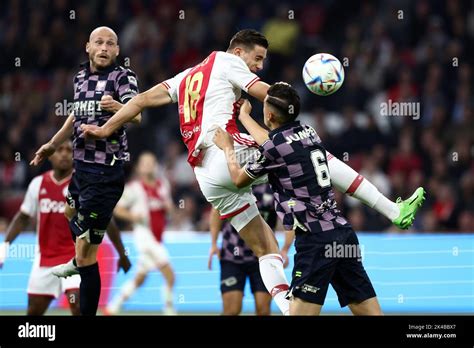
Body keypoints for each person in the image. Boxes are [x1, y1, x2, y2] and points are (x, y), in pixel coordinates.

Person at [81, 29, 425, 314]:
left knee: (266, 247)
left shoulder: (187, 76)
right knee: (307, 148)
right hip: (224, 153)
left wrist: (103, 128)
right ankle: (394, 210)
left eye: (262, 62)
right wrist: (294, 95)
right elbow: (267, 96)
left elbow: (139, 101)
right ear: (238, 50)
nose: (258, 67)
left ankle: (288, 306)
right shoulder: (227, 61)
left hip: (207, 178)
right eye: (256, 59)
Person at [213, 82, 424, 315]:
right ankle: (393, 209)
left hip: (315, 241)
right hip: (342, 233)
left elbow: (238, 179)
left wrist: (227, 148)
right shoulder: (308, 132)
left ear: (269, 114)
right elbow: (273, 142)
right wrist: (244, 118)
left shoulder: (272, 149)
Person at [30, 26, 139, 316]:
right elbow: (76, 114)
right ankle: (79, 261)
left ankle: (81, 276)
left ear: (117, 51)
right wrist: (53, 144)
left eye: (110, 44)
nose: (104, 48)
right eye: (99, 43)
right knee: (69, 215)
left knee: (87, 251)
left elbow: (137, 114)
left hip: (105, 173)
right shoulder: (80, 77)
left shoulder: (122, 77)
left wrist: (115, 106)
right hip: (81, 169)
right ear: (87, 47)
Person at [0, 141, 131, 315]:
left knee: (77, 305)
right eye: (59, 150)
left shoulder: (84, 184)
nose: (64, 154)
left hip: (76, 258)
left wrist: (122, 254)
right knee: (33, 312)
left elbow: (107, 220)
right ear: (51, 154)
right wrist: (5, 245)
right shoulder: (38, 184)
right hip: (45, 261)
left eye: (69, 150)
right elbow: (23, 217)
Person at [105, 152, 177, 315]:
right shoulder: (134, 188)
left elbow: (169, 210)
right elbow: (118, 209)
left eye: (151, 163)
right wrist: (133, 216)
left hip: (158, 237)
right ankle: (169, 310)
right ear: (138, 167)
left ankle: (113, 306)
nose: (149, 166)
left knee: (140, 278)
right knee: (170, 275)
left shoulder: (163, 185)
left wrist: (169, 209)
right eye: (145, 163)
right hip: (144, 236)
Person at [208, 183, 280, 315]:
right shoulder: (232, 183)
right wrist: (213, 244)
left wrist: (286, 249)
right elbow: (215, 211)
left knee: (263, 310)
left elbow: (289, 214)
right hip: (232, 256)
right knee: (231, 310)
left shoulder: (272, 187)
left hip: (262, 258)